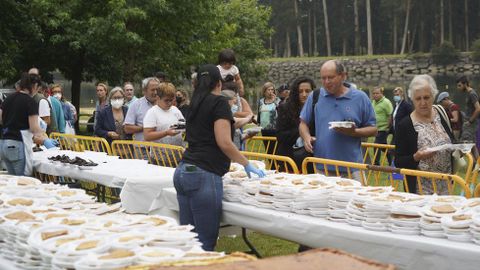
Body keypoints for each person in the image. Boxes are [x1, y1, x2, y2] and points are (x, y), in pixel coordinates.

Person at [173, 64, 265, 251]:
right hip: (203, 173)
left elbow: (224, 124)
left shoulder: (193, 105)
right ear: (219, 84)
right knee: (205, 242)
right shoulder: (219, 103)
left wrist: (245, 120)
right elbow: (224, 141)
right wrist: (246, 164)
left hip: (183, 170)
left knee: (188, 241)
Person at [299, 60, 377, 181]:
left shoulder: (360, 97)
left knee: (355, 200)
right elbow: (303, 123)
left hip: (353, 169)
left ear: (343, 76)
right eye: (323, 78)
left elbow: (373, 129)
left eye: (330, 77)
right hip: (321, 167)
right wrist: (306, 138)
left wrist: (354, 132)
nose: (326, 82)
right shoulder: (315, 96)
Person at [395, 75, 454, 195]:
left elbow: (451, 140)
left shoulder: (441, 114)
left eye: (426, 97)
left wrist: (460, 149)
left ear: (433, 96)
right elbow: (399, 161)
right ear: (412, 99)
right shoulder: (404, 125)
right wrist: (416, 157)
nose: (423, 103)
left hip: (447, 187)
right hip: (421, 192)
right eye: (418, 99)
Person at [0, 73, 57, 176]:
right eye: (38, 88)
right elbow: (34, 128)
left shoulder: (8, 99)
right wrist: (44, 137)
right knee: (23, 182)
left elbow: (1, 119)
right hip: (18, 145)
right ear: (34, 86)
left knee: (12, 182)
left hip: (4, 144)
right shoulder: (30, 102)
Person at [276, 76, 315, 171]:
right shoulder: (284, 108)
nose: (304, 94)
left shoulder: (317, 108)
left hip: (311, 159)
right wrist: (303, 132)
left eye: (307, 91)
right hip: (289, 158)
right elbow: (280, 135)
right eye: (300, 91)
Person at [143, 82, 185, 163]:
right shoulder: (152, 112)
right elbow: (147, 136)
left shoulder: (175, 110)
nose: (169, 103)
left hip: (178, 156)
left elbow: (183, 125)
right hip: (160, 159)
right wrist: (166, 133)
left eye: (171, 100)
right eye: (166, 100)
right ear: (158, 98)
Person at [371, 86, 393, 165]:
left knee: (376, 145)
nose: (375, 95)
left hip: (384, 129)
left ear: (382, 93)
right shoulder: (373, 102)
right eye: (374, 93)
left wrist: (388, 127)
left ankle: (376, 164)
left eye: (377, 93)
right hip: (377, 128)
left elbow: (390, 115)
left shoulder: (386, 102)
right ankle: (391, 160)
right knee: (383, 147)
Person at [457, 76, 480, 149]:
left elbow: (478, 108)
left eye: (459, 85)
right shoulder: (470, 93)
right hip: (469, 123)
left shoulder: (472, 94)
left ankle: (469, 160)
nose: (458, 87)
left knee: (466, 144)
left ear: (465, 84)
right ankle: (476, 160)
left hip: (470, 125)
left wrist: (470, 121)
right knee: (472, 145)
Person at [258, 82, 281, 154]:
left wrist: (275, 101)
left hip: (275, 129)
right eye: (269, 90)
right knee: (268, 150)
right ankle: (271, 165)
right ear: (264, 91)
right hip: (264, 129)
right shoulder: (261, 101)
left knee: (276, 150)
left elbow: (281, 111)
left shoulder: (277, 100)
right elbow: (259, 113)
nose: (271, 92)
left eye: (272, 90)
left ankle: (277, 165)